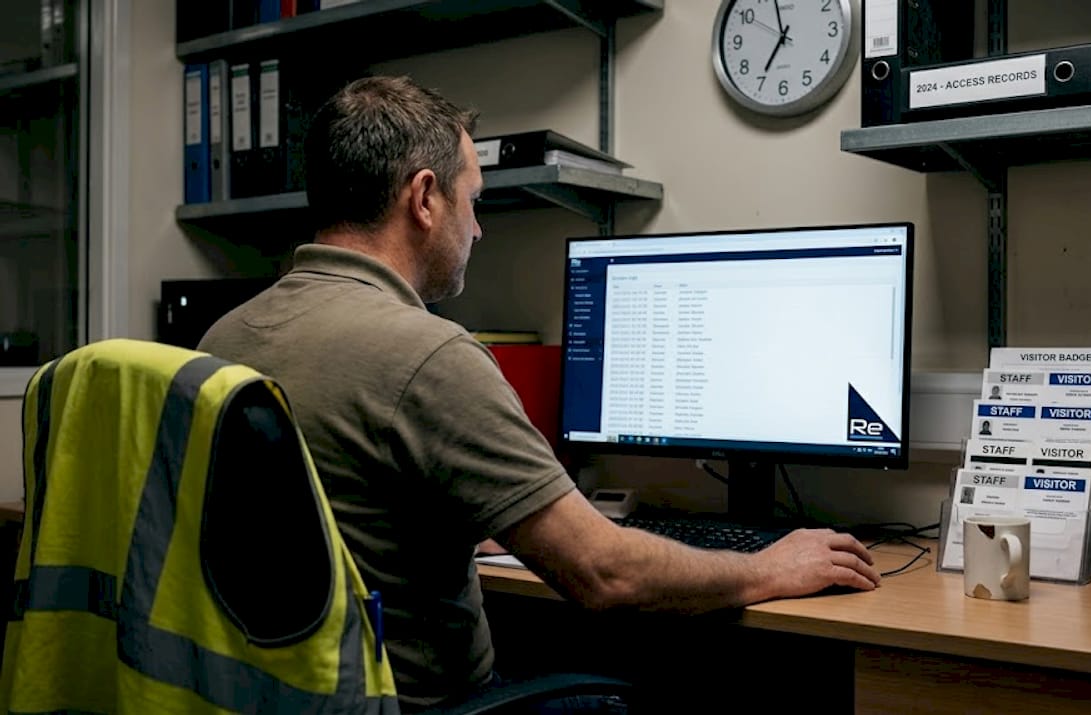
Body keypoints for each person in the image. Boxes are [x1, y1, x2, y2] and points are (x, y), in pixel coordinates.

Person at [198, 75, 881, 712]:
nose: (478, 229)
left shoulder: (221, 339)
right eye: (475, 201)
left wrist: (466, 527)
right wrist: (765, 567)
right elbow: (605, 574)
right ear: (425, 198)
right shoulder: (430, 355)